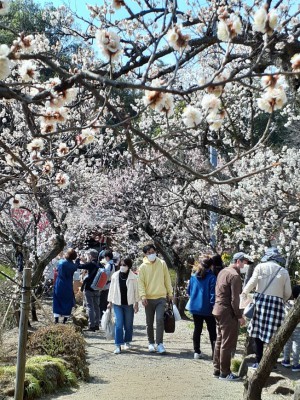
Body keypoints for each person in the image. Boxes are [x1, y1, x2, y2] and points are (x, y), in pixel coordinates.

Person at [242, 247, 292, 368]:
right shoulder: (283, 271)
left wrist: (245, 293)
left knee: (258, 334)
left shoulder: (260, 267)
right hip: (276, 305)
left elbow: (252, 282)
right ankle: (271, 363)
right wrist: (281, 299)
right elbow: (288, 292)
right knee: (274, 336)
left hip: (260, 303)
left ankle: (259, 362)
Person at [212, 252, 248, 381]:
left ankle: (217, 369)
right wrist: (239, 316)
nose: (245, 265)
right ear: (238, 261)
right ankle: (225, 372)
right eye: (244, 262)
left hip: (217, 308)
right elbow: (235, 299)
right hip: (228, 312)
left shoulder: (223, 271)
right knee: (227, 343)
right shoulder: (235, 276)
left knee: (220, 340)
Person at [138, 244, 173, 354]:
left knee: (159, 320)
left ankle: (160, 343)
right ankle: (151, 343)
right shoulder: (142, 267)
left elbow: (167, 279)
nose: (151, 254)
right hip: (148, 298)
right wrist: (143, 296)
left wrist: (170, 292)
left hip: (161, 297)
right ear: (145, 254)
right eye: (148, 253)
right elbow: (141, 283)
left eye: (153, 252)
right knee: (149, 322)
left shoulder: (162, 263)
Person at [186, 256, 217, 359]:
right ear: (211, 266)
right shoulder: (212, 278)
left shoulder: (193, 276)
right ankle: (215, 354)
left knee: (197, 329)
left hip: (195, 307)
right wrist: (214, 306)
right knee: (212, 331)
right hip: (208, 308)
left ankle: (196, 351)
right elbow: (213, 294)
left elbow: (188, 291)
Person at [107, 258, 139, 354]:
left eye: (124, 265)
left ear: (128, 266)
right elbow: (111, 289)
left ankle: (127, 341)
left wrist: (136, 304)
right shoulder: (115, 276)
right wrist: (110, 302)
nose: (122, 267)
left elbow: (136, 291)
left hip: (129, 304)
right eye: (121, 265)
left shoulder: (133, 277)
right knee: (119, 324)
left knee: (128, 325)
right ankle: (118, 345)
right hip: (117, 303)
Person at [76, 249, 101, 332]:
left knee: (90, 306)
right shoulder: (100, 264)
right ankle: (97, 324)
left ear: (91, 256)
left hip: (89, 288)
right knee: (97, 306)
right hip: (97, 288)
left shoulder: (90, 264)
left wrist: (77, 260)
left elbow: (79, 266)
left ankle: (92, 325)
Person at [53, 248, 78, 324]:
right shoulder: (74, 266)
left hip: (60, 282)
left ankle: (56, 319)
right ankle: (64, 320)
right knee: (67, 300)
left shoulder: (61, 263)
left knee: (57, 299)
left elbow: (57, 268)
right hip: (68, 283)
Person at [281, 285, 300, 371]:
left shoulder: (287, 303)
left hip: (287, 327)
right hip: (298, 328)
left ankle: (286, 360)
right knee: (296, 345)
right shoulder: (298, 306)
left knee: (287, 343)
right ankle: (295, 364)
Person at [99, 250, 116, 319]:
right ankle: (107, 317)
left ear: (107, 257)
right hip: (110, 285)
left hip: (106, 285)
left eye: (105, 257)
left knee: (103, 303)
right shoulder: (113, 265)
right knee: (107, 302)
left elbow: (105, 276)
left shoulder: (108, 265)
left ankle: (103, 318)